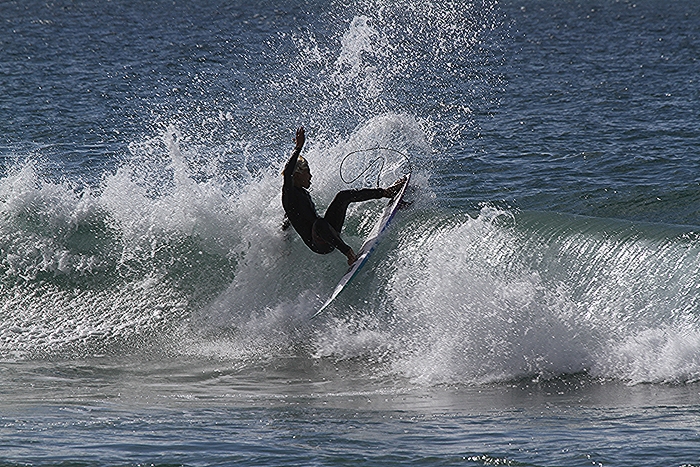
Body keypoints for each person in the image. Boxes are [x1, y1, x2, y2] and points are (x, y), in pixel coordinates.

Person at [282, 127, 405, 266]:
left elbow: (288, 218)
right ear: (297, 174)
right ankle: (349, 253)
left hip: (328, 233)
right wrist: (298, 148)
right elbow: (287, 173)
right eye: (308, 172)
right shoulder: (289, 194)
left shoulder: (300, 194)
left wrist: (285, 236)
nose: (311, 176)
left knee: (343, 196)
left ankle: (386, 192)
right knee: (319, 223)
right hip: (319, 244)